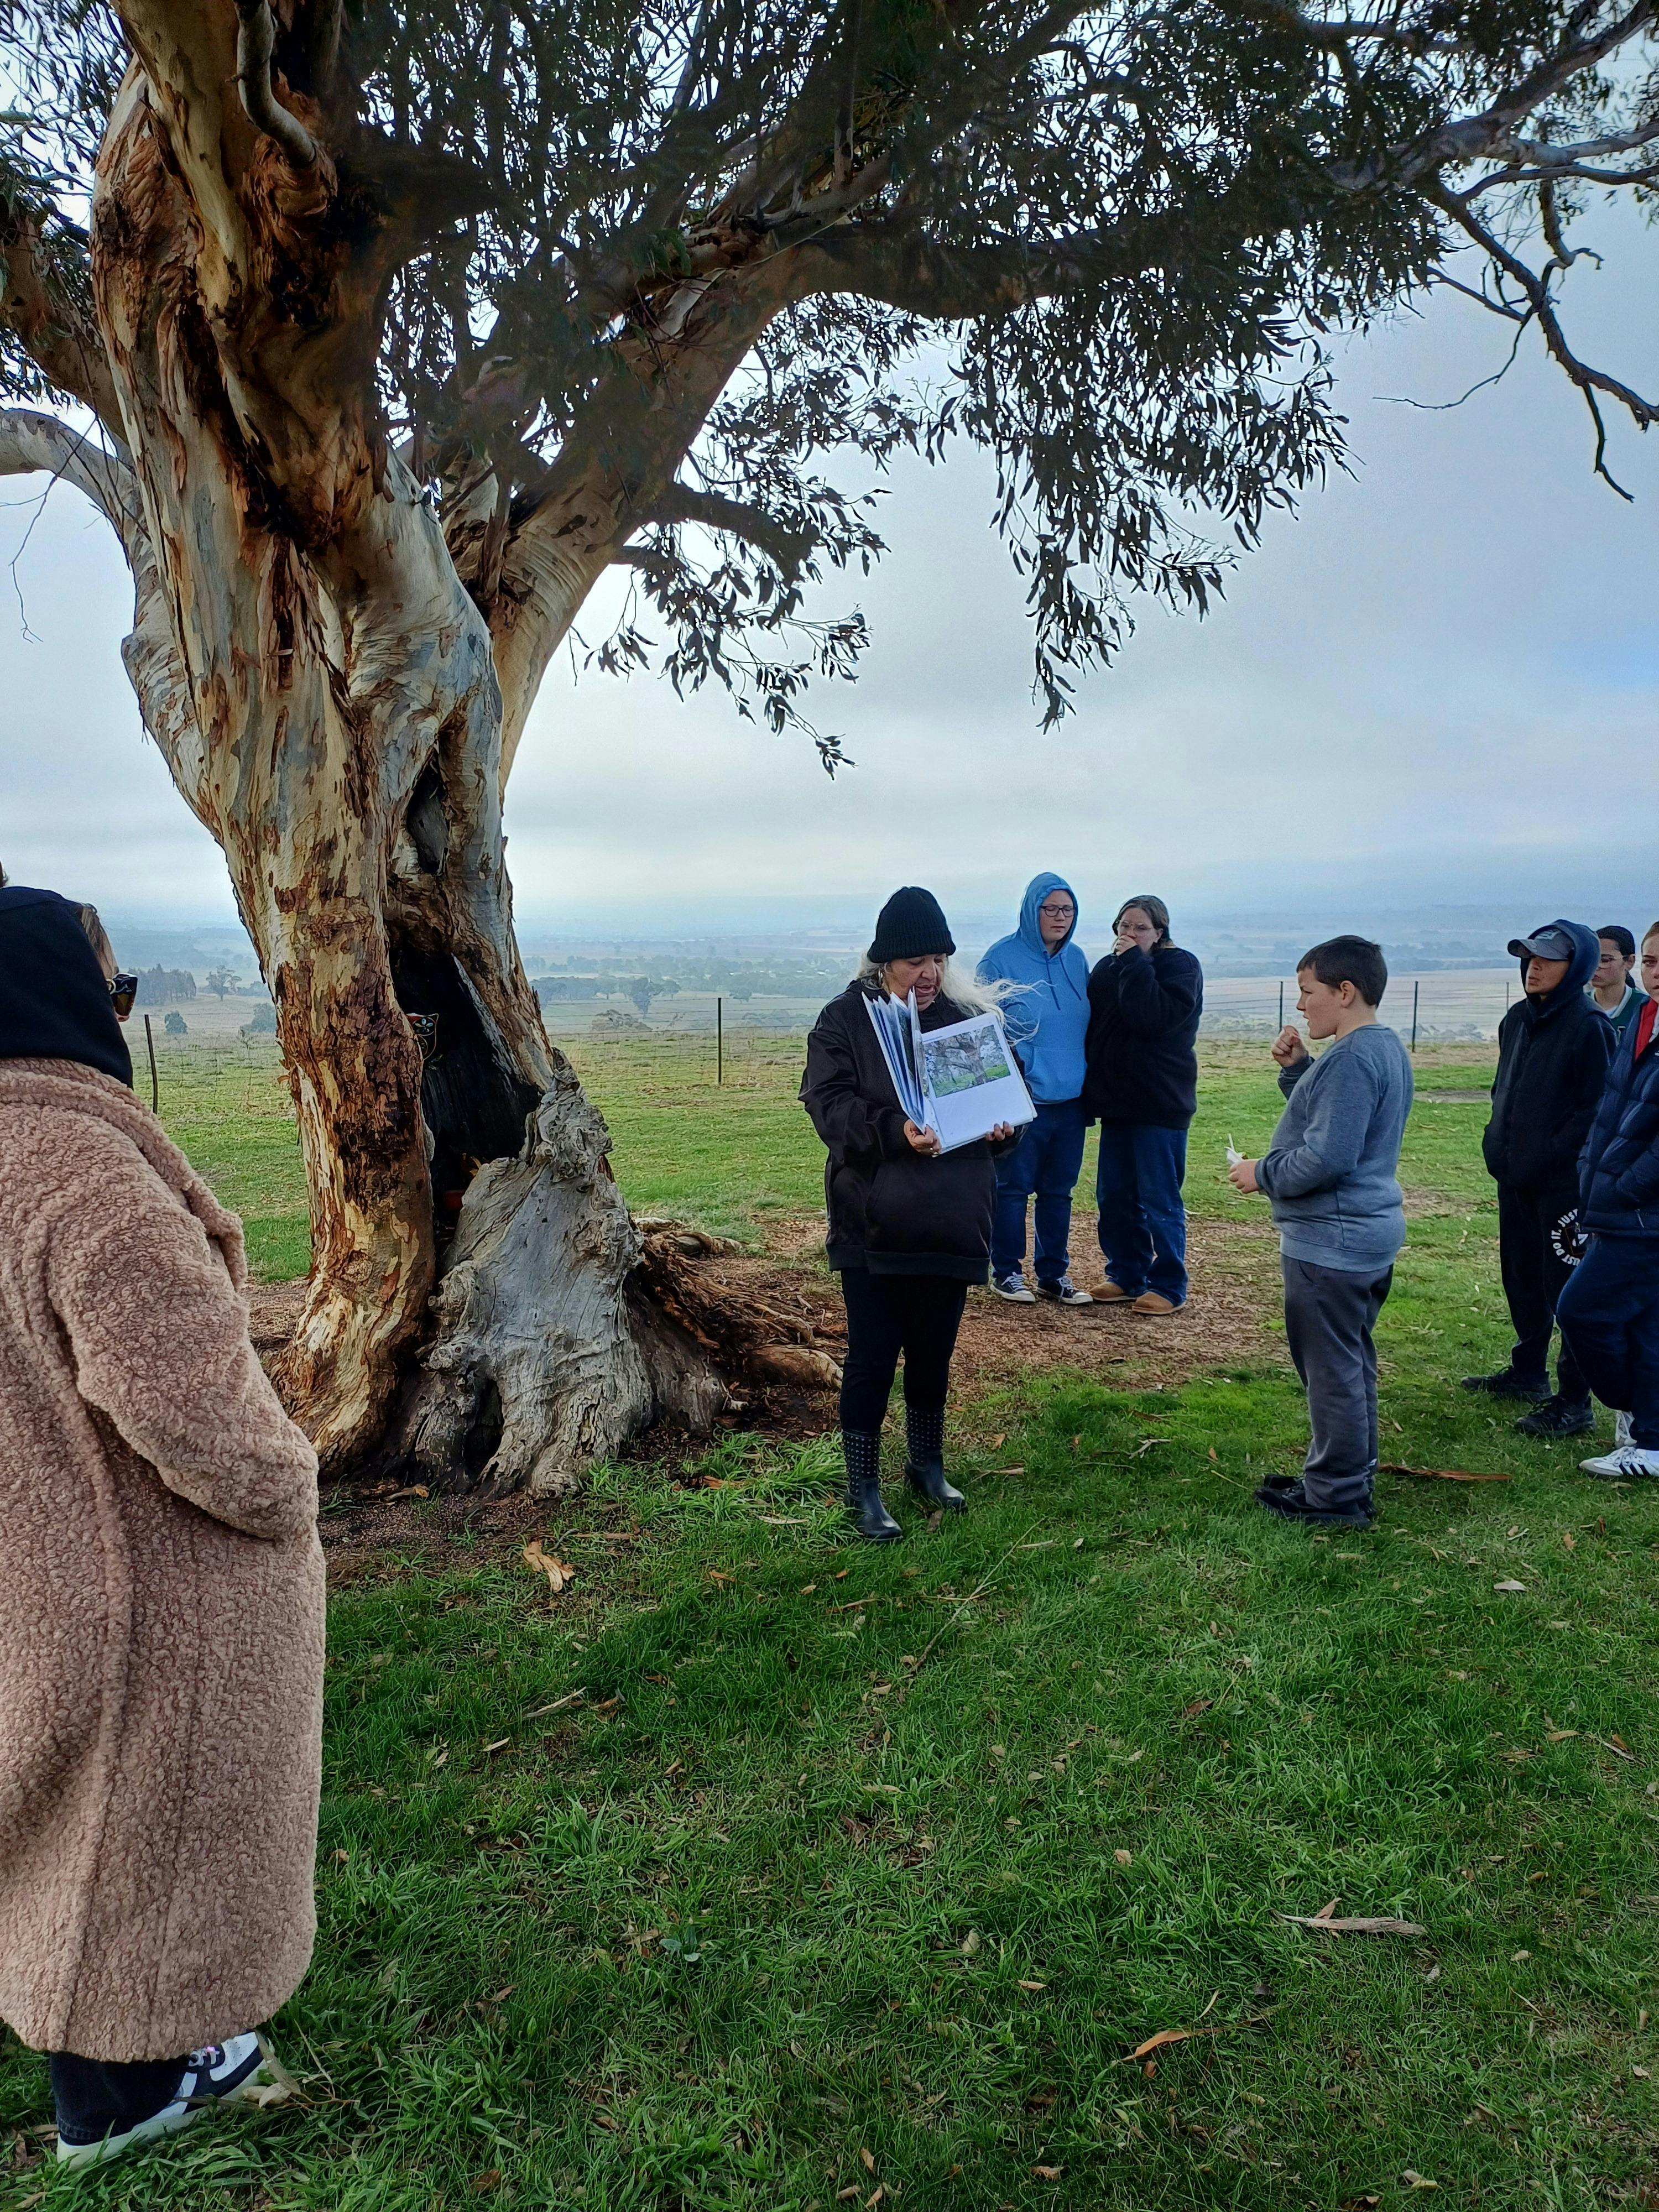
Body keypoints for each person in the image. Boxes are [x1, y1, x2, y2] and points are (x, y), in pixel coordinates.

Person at [0, 884, 324, 2169]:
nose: (124, 1011)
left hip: (39, 1562)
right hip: (149, 1582)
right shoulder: (90, 1177)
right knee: (149, 1834)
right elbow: (202, 1423)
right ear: (65, 996)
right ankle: (134, 2098)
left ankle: (115, 2068)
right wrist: (290, 1481)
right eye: (116, 987)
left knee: (69, 1825)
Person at [801, 887, 1019, 1540]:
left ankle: (926, 1465)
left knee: (933, 1353)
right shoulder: (844, 1019)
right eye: (914, 961)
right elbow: (828, 1106)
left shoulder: (965, 1021)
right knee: (872, 1356)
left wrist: (1007, 1128)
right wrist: (897, 1131)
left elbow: (1011, 1097)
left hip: (953, 1222)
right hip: (874, 1226)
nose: (928, 974)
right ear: (883, 962)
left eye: (937, 959)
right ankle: (862, 1487)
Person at [1228, 936, 1412, 1529]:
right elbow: (1337, 1118)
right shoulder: (1379, 1049)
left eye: (1309, 992)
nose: (1303, 1006)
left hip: (1332, 1245)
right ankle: (1344, 1474)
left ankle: (1335, 1496)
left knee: (1331, 1370)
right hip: (1361, 1239)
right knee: (1350, 1362)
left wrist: (1261, 1172)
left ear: (1346, 991)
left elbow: (1328, 1156)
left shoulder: (1357, 1058)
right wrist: (1299, 1071)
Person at [1463, 921, 1613, 1439]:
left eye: (1549, 958)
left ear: (1580, 967)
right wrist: (1496, 1142)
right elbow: (1504, 1090)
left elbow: (1594, 1111)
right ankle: (1528, 1371)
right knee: (1521, 1277)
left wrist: (1550, 1156)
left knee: (1566, 1288)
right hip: (1515, 1177)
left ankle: (1574, 1402)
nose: (1535, 966)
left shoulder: (1589, 1026)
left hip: (1563, 1187)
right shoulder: (1516, 1020)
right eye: (1530, 957)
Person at [1561, 920, 1659, 1480]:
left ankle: (1638, 1411)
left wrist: (1624, 1187)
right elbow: (1611, 1105)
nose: (1655, 971)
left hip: (1641, 1212)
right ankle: (1649, 1440)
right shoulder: (1643, 1020)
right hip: (1615, 1199)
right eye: (1650, 961)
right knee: (1647, 1324)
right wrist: (1588, 1167)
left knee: (1581, 1308)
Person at [1082, 895, 1203, 1315]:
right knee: (1113, 1196)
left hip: (1160, 1104)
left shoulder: (1180, 967)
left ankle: (1169, 1285)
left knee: (1159, 1197)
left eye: (1139, 928)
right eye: (1123, 927)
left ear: (1160, 933)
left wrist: (1135, 964)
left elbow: (1151, 1017)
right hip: (1118, 1104)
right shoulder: (1106, 970)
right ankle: (1127, 1275)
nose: (1128, 935)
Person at [977, 872, 1093, 1305]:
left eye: (1068, 910)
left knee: (1058, 1191)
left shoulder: (1077, 959)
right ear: (1032, 910)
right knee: (1012, 1189)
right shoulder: (999, 960)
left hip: (1071, 1100)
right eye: (1051, 909)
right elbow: (985, 1031)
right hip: (1024, 1100)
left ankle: (1053, 1275)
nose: (1061, 917)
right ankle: (1005, 1272)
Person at [1588, 925, 1643, 1044]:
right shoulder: (1574, 1006)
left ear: (1629, 962)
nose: (1596, 967)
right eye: (1592, 959)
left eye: (1605, 960)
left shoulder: (1645, 1007)